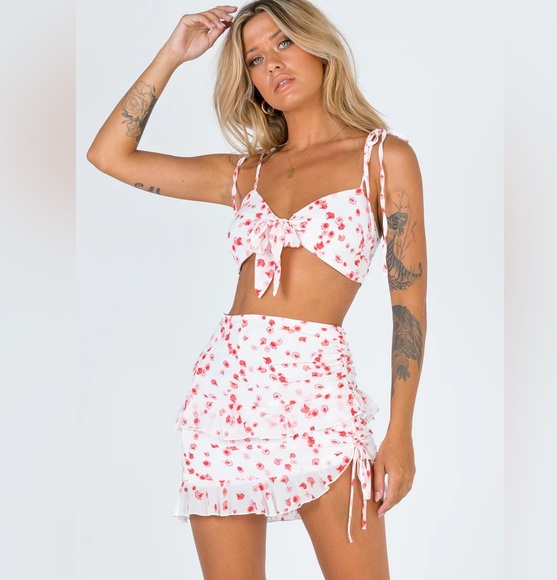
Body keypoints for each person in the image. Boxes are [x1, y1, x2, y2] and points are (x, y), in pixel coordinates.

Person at [87, 1, 427, 577]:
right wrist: (173, 54)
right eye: (254, 58)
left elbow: (408, 305)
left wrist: (400, 433)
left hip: (318, 396)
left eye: (284, 43)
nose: (272, 63)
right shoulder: (246, 173)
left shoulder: (382, 158)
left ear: (319, 47)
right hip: (226, 397)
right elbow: (108, 155)